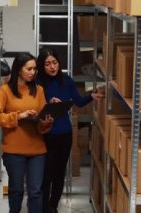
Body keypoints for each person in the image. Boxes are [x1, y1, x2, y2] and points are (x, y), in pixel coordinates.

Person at [36, 48, 104, 213]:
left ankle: (53, 207)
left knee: (60, 173)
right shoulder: (38, 84)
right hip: (47, 134)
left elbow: (79, 102)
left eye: (55, 63)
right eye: (47, 64)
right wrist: (48, 103)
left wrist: (91, 96)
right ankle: (44, 208)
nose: (52, 67)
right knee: (46, 175)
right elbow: (34, 108)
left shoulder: (67, 81)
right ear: (41, 66)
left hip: (65, 134)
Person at [0, 52, 54, 213]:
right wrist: (19, 116)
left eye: (35, 69)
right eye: (29, 69)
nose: (33, 72)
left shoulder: (39, 91)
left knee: (36, 192)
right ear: (19, 70)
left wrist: (46, 123)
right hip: (14, 150)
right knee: (16, 190)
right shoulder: (5, 91)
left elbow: (41, 122)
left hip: (37, 149)